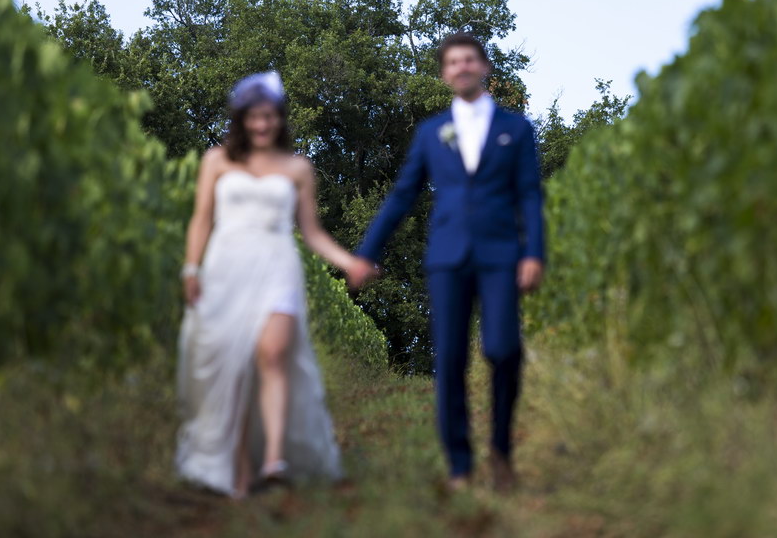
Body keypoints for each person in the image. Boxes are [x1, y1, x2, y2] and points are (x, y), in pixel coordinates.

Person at [347, 33, 546, 492]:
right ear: (444, 74)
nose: (461, 67)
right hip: (448, 256)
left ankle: (500, 450)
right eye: (452, 62)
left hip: (500, 255)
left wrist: (534, 252)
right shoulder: (431, 133)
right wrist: (367, 252)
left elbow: (530, 196)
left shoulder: (516, 129)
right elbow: (402, 196)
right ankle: (460, 465)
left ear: (484, 67)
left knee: (503, 349)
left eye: (469, 59)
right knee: (451, 358)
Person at [176, 71, 356, 499]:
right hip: (226, 268)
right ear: (241, 119)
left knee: (274, 353)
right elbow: (202, 219)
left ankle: (275, 459)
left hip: (277, 265)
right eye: (254, 117)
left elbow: (311, 232)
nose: (262, 125)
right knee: (235, 367)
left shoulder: (298, 168)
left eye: (269, 117)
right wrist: (190, 268)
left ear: (280, 119)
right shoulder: (216, 161)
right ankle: (239, 467)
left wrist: (350, 261)